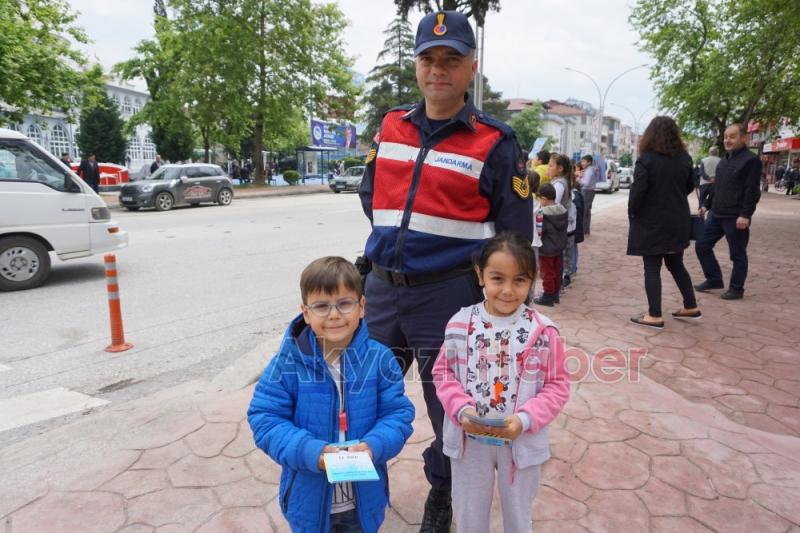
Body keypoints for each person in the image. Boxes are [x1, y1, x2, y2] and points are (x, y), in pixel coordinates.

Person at [357, 10, 532, 531]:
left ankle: (442, 491)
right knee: (359, 399)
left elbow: (513, 236)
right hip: (382, 294)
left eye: (451, 60)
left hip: (449, 303)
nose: (438, 70)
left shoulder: (495, 142)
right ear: (416, 66)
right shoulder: (391, 125)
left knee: (452, 413)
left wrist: (501, 310)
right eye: (428, 59)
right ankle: (359, 493)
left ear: (470, 67)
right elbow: (373, 197)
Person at [248, 256, 414, 533]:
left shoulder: (381, 360)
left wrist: (374, 445)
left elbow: (397, 414)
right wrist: (311, 452)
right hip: (308, 504)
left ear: (362, 307)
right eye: (321, 306)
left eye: (344, 303)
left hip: (364, 502)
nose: (334, 314)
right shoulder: (288, 363)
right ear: (305, 312)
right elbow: (265, 417)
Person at [432, 232, 569, 533]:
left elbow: (558, 385)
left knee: (519, 517)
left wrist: (524, 419)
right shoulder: (459, 324)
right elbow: (442, 373)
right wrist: (460, 410)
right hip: (470, 443)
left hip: (520, 441)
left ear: (532, 280)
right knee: (469, 516)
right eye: (497, 278)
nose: (507, 290)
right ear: (480, 275)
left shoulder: (544, 331)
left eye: (519, 280)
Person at [627, 116, 701, 329]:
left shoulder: (646, 160)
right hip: (678, 219)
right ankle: (690, 306)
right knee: (676, 263)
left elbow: (638, 193)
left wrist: (633, 213)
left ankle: (654, 315)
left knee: (651, 266)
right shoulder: (685, 158)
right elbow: (689, 186)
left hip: (652, 221)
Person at [695, 123, 763, 300]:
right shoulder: (724, 160)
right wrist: (706, 205)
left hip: (735, 217)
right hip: (716, 214)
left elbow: (752, 191)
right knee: (702, 245)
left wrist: (745, 215)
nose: (728, 140)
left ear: (743, 138)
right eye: (726, 137)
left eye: (732, 136)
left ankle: (736, 288)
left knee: (737, 254)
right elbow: (717, 188)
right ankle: (714, 279)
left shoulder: (751, 161)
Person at [533, 183, 568, 307]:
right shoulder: (562, 210)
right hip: (559, 247)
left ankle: (547, 296)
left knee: (547, 272)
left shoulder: (542, 213)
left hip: (547, 248)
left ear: (543, 198)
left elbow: (539, 231)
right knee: (557, 270)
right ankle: (555, 294)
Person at [564, 174, 585, 286]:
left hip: (573, 228)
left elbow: (576, 213)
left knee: (571, 248)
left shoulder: (574, 195)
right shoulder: (576, 194)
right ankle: (573, 267)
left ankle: (572, 268)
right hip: (575, 227)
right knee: (573, 247)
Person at [578, 155, 597, 235]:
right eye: (582, 161)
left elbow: (586, 183)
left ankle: (583, 230)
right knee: (587, 211)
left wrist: (579, 179)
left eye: (584, 161)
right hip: (589, 191)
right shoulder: (589, 169)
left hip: (587, 191)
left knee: (584, 211)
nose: (582, 163)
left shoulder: (589, 170)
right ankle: (586, 229)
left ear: (589, 162)